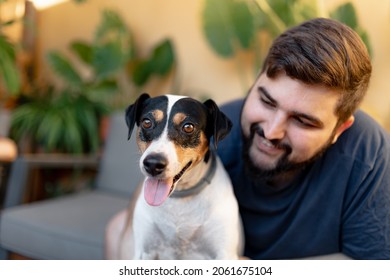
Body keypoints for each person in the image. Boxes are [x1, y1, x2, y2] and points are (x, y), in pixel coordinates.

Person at [217, 17, 390, 259]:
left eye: (302, 121)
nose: (271, 132)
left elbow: (373, 268)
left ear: (340, 129)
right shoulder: (213, 133)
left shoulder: (368, 154)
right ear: (256, 81)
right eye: (267, 102)